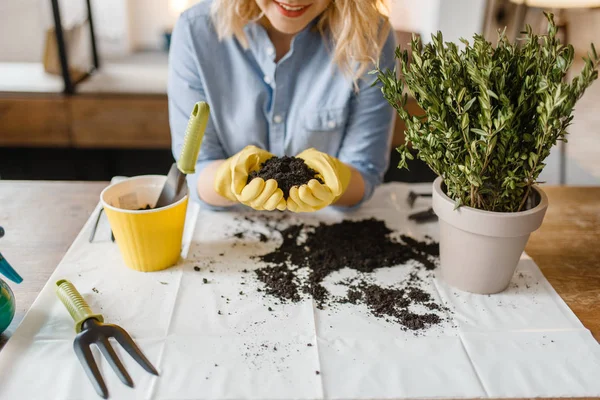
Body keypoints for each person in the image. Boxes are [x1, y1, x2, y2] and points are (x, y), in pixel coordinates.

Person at [168, 0, 395, 212]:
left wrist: (340, 179)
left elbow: (365, 171)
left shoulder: (370, 35)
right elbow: (195, 169)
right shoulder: (196, 30)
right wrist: (224, 181)